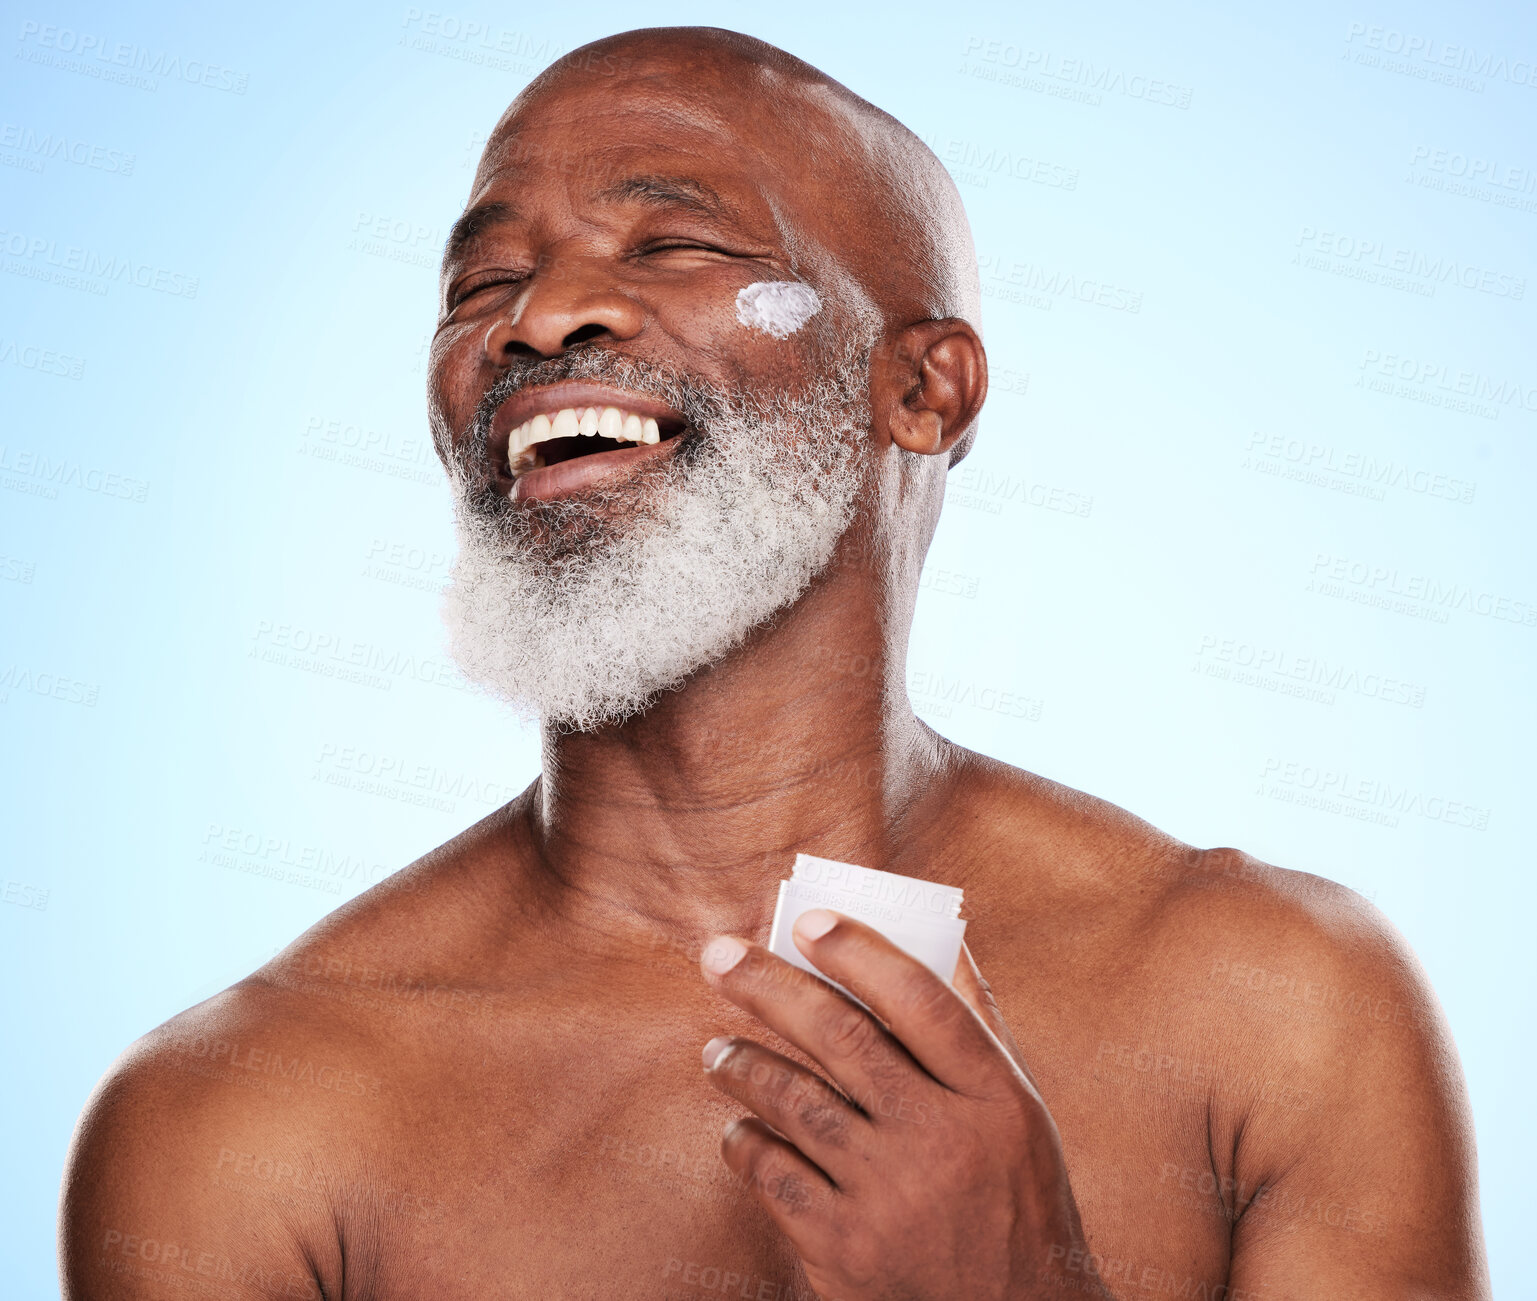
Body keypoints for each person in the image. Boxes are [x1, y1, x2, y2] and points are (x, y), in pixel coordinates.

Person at [60, 26, 1491, 1300]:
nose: (538, 318)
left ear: (922, 389)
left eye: (673, 244)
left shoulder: (1280, 1011)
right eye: (484, 277)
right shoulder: (240, 1124)